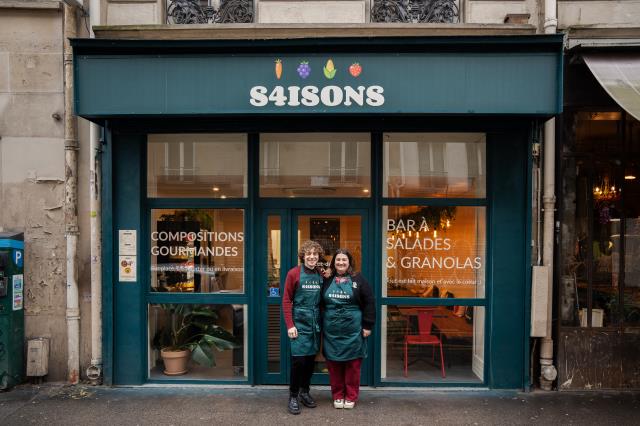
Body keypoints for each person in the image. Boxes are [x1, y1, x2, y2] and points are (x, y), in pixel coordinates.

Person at [322, 248, 375, 409]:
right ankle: (337, 395)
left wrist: (367, 325)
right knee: (334, 365)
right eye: (338, 260)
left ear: (349, 262)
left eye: (344, 260)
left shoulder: (359, 280)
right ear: (333, 263)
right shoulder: (327, 279)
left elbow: (370, 303)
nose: (341, 262)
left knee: (353, 366)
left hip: (353, 330)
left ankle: (351, 396)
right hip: (332, 330)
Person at [282, 240, 325, 415]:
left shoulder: (321, 275)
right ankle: (293, 395)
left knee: (309, 362)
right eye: (309, 254)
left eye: (315, 254)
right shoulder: (293, 273)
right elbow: (286, 300)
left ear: (318, 257)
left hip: (314, 323)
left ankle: (305, 392)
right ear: (303, 256)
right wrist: (290, 325)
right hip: (299, 322)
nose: (312, 257)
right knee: (298, 361)